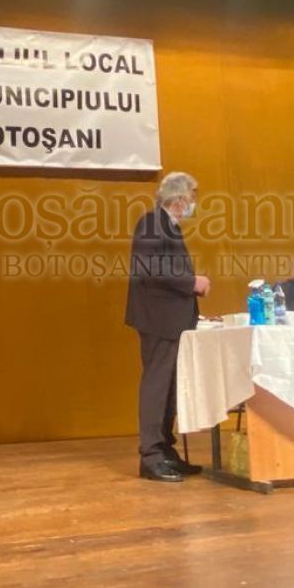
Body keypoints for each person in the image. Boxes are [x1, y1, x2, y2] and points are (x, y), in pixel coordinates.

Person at [125, 171, 210, 483]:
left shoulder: (168, 226)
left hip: (173, 320)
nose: (194, 203)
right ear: (179, 199)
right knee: (157, 385)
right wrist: (192, 282)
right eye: (192, 197)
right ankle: (150, 455)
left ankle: (165, 449)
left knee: (171, 387)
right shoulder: (152, 222)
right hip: (159, 319)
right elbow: (148, 267)